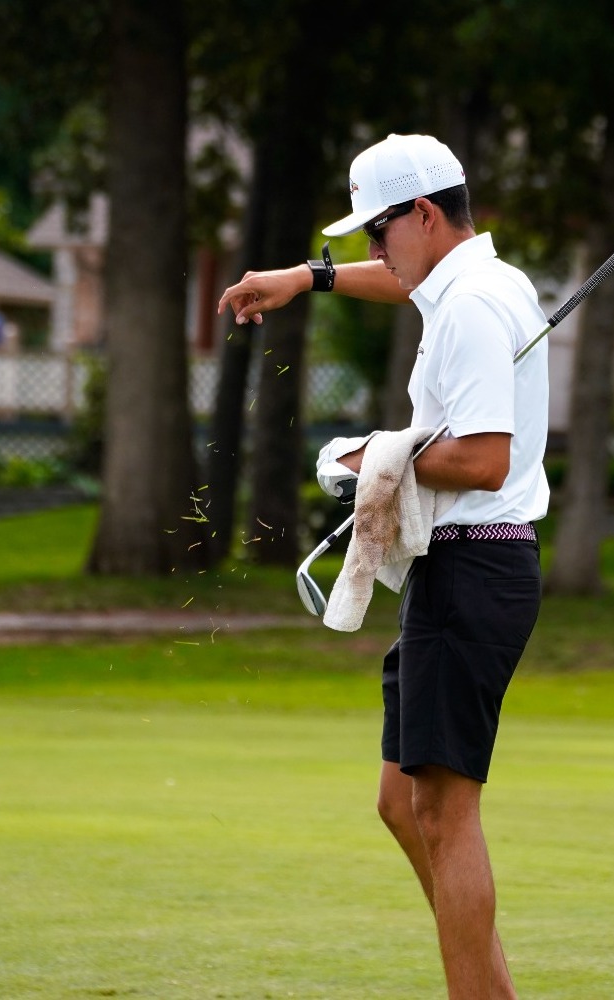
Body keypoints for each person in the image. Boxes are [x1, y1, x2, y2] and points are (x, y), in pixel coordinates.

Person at [218, 133, 547, 1000]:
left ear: (424, 215)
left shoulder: (471, 306)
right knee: (401, 802)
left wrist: (370, 460)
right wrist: (306, 278)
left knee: (442, 811)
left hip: (474, 567)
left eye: (377, 230)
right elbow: (402, 283)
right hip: (464, 569)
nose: (373, 248)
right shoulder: (481, 282)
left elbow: (483, 460)